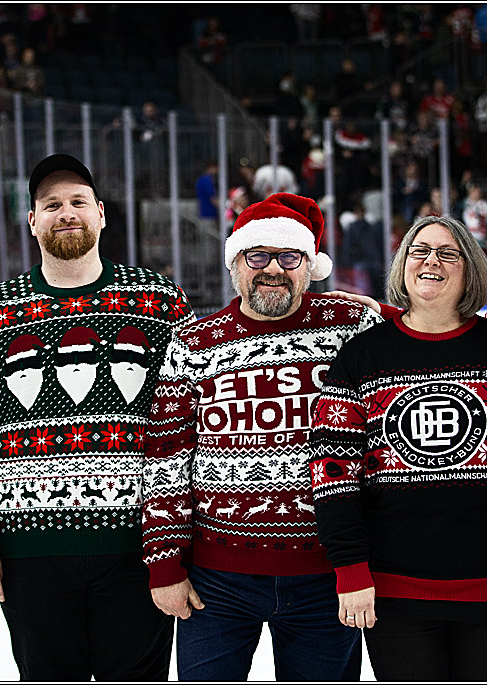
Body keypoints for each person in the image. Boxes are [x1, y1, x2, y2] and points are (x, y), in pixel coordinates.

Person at [0, 154, 191, 681]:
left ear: (101, 213)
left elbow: (191, 413)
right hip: (29, 550)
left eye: (78, 202)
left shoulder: (158, 299)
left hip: (138, 545)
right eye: (50, 204)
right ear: (32, 221)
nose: (66, 212)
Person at [310, 214, 487, 681]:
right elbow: (333, 474)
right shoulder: (361, 356)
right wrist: (349, 567)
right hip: (394, 592)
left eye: (448, 253)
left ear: (470, 269)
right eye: (419, 251)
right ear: (402, 264)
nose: (431, 261)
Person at [142, 193, 384, 680]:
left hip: (328, 573)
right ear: (235, 262)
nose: (272, 268)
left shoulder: (350, 326)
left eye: (289, 256)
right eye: (258, 255)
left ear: (309, 264)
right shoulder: (193, 339)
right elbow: (165, 458)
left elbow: (426, 331)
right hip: (218, 578)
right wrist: (164, 564)